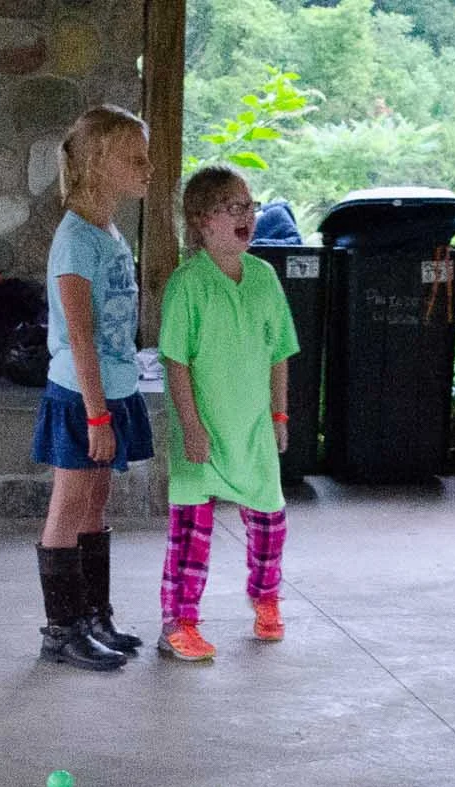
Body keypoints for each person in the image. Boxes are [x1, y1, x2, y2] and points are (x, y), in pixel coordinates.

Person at [155, 163, 300, 662]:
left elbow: (279, 353)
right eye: (232, 208)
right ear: (202, 220)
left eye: (250, 206)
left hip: (253, 428)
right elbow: (176, 361)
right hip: (202, 432)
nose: (246, 216)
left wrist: (279, 416)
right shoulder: (187, 284)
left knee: (269, 523)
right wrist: (191, 427)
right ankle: (179, 622)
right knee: (191, 533)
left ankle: (266, 599)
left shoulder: (264, 278)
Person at [30, 106, 154, 672]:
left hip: (113, 391)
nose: (148, 169)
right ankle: (62, 630)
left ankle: (93, 616)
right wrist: (98, 416)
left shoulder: (109, 232)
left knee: (96, 502)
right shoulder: (76, 240)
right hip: (82, 397)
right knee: (70, 503)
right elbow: (79, 336)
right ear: (100, 164)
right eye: (136, 159)